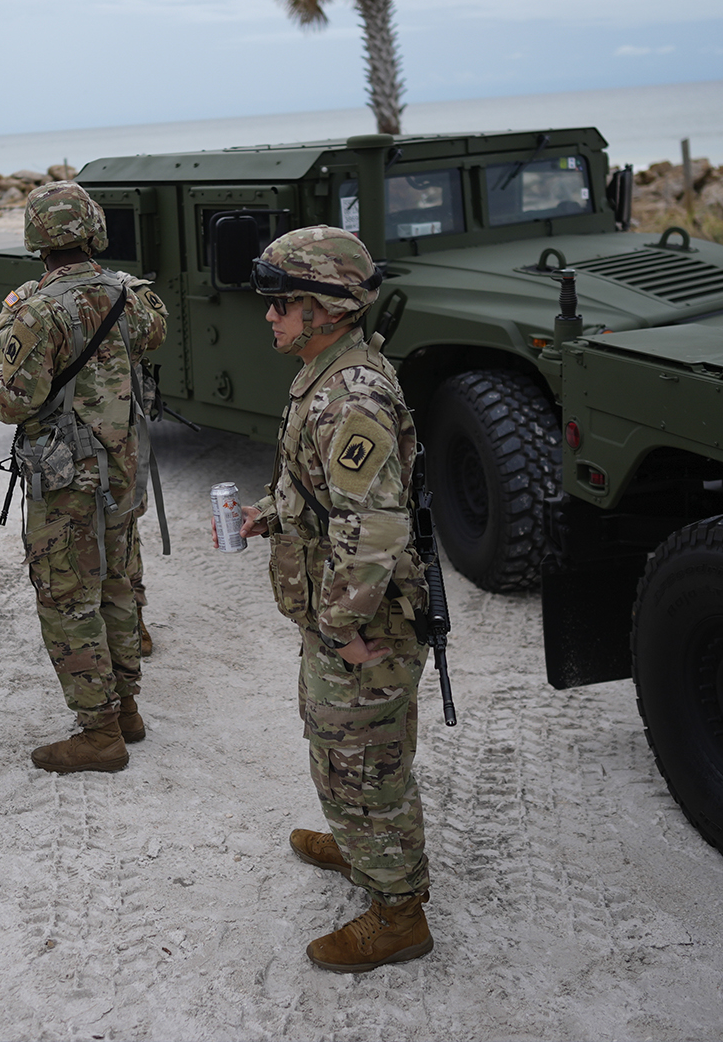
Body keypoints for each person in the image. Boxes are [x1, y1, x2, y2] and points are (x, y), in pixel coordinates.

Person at [238, 226, 433, 974]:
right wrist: (273, 511)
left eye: (282, 304)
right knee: (338, 748)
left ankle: (398, 912)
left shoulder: (350, 393)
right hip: (339, 611)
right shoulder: (327, 371)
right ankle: (359, 845)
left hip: (362, 620)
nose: (270, 316)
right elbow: (322, 492)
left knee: (366, 765)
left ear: (325, 309)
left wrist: (341, 627)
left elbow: (375, 523)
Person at [0, 182, 166, 773]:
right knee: (117, 586)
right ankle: (127, 710)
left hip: (67, 478)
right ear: (94, 228)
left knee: (68, 599)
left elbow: (13, 402)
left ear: (38, 238)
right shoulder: (134, 296)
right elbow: (151, 340)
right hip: (122, 469)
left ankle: (99, 733)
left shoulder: (33, 311)